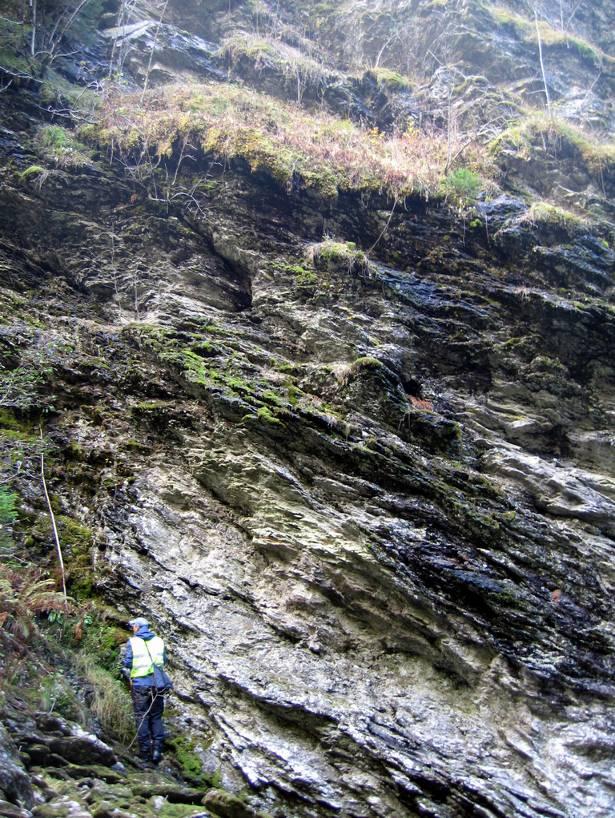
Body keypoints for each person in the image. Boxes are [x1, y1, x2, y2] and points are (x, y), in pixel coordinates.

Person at [122, 616, 167, 764]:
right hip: (158, 684)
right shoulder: (159, 641)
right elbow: (163, 661)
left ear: (138, 627)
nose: (132, 628)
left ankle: (145, 753)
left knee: (142, 716)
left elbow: (128, 663)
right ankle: (157, 751)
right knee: (156, 716)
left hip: (140, 684)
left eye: (133, 626)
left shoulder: (133, 642)